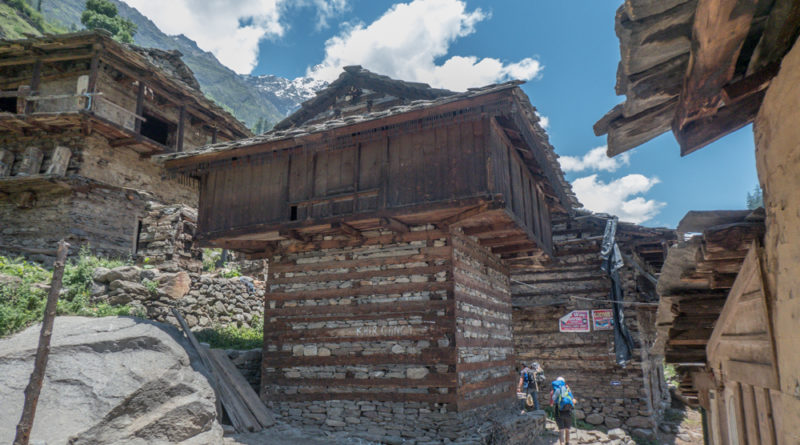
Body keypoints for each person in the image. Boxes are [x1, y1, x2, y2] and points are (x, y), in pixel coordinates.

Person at [550, 377, 576, 445]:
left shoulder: (556, 390)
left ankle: (561, 443)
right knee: (567, 429)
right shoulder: (567, 389)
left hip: (559, 412)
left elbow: (552, 401)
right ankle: (567, 443)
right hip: (568, 411)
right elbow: (573, 401)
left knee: (561, 430)